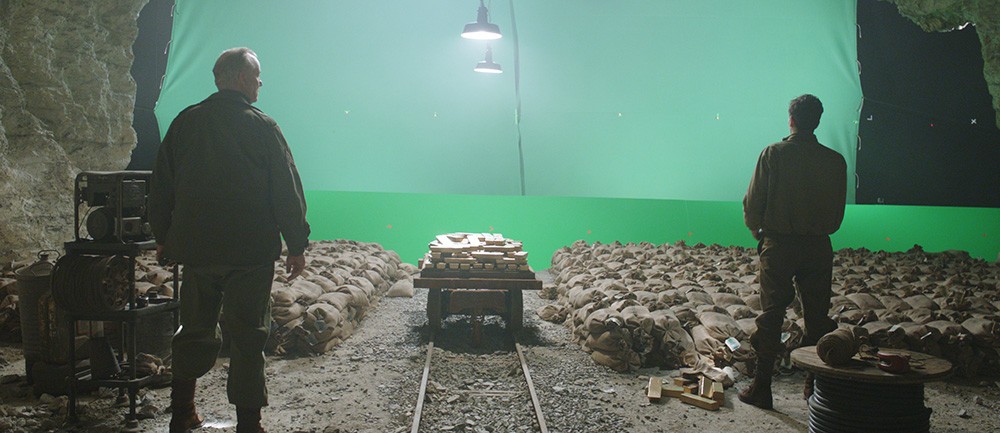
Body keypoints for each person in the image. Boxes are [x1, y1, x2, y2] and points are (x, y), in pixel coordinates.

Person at [149, 47, 310, 433]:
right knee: (248, 336)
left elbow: (162, 184)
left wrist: (162, 236)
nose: (260, 83)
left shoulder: (185, 122)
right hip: (250, 254)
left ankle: (182, 413)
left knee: (193, 330)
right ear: (241, 78)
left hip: (198, 252)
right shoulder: (263, 127)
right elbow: (285, 190)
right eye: (257, 76)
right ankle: (248, 424)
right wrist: (297, 244)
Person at [738, 94, 847, 410]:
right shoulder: (835, 161)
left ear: (791, 120)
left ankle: (762, 386)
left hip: (780, 245)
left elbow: (753, 201)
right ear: (817, 121)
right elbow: (837, 211)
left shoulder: (773, 153)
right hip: (818, 246)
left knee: (772, 315)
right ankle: (814, 385)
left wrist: (757, 230)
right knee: (817, 317)